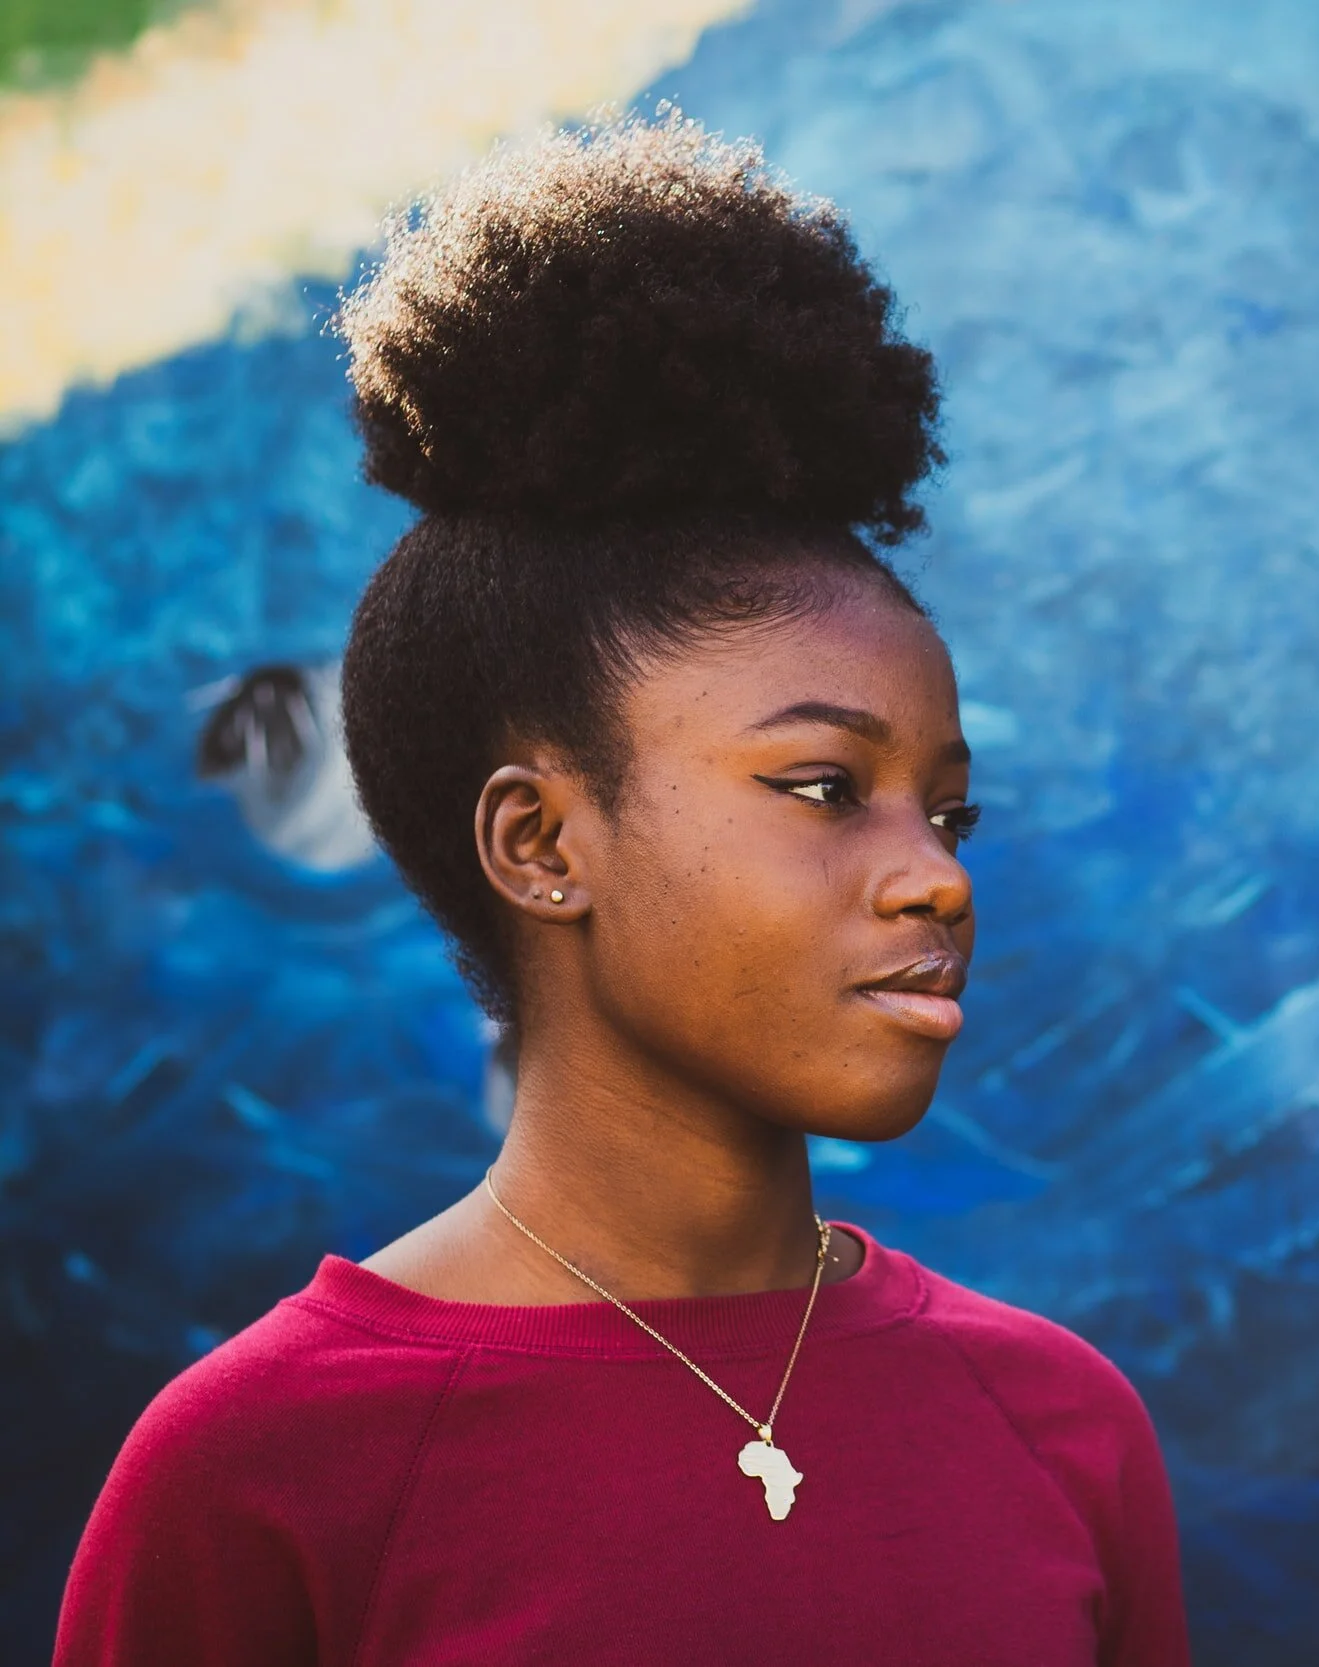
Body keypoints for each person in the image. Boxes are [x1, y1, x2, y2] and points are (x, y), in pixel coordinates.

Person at [55, 112, 1189, 1666]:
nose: (937, 877)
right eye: (822, 787)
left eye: (949, 810)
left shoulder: (1063, 1424)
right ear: (540, 843)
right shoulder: (259, 1477)